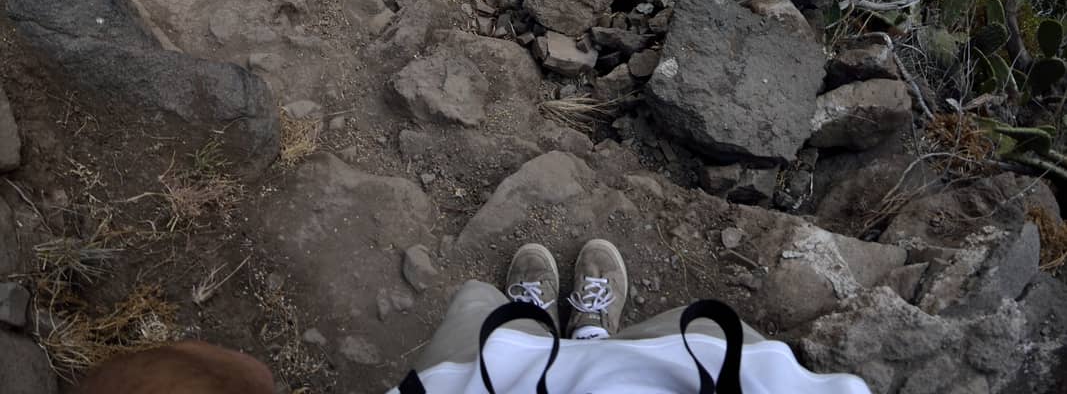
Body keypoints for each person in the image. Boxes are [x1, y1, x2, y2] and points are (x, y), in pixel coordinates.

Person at [79, 239, 872, 393]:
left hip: (478, 383)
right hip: (688, 377)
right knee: (684, 334)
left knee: (478, 307)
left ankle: (529, 327)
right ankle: (585, 333)